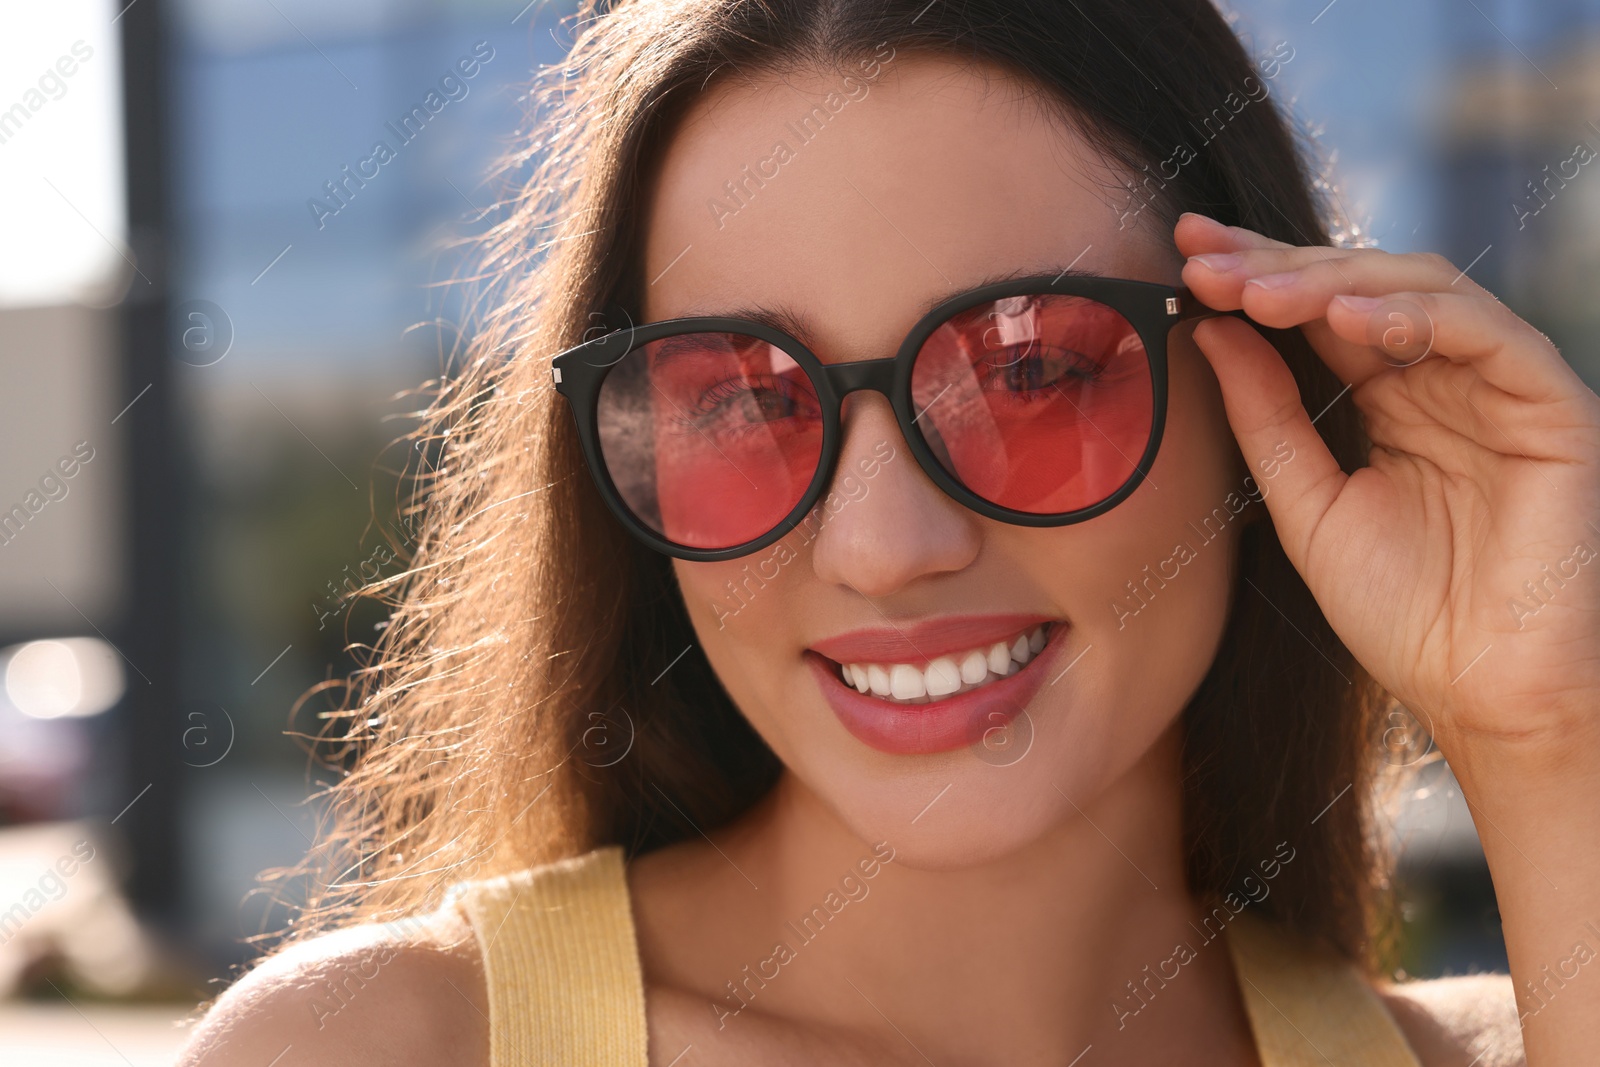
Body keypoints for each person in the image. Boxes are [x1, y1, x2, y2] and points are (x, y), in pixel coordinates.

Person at [178, 0, 1600, 1063]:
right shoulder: (378, 1050)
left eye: (1029, 369)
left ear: (1266, 386)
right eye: (739, 401)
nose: (881, 542)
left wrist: (1548, 735)